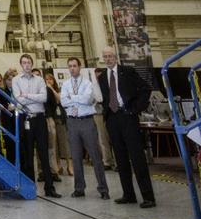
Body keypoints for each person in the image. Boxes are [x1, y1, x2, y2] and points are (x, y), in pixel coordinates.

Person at [98, 47, 156, 208]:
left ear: (115, 57)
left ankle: (148, 196)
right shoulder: (102, 77)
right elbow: (105, 97)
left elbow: (146, 89)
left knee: (137, 157)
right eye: (105, 56)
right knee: (120, 158)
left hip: (128, 117)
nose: (108, 59)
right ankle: (128, 194)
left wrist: (135, 109)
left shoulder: (127, 72)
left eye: (110, 56)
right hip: (113, 120)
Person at [59, 57, 109, 200]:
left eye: (75, 66)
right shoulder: (66, 84)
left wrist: (72, 98)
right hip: (72, 123)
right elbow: (63, 102)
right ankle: (79, 188)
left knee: (95, 156)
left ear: (79, 67)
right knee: (75, 157)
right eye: (70, 66)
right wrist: (77, 98)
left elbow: (88, 100)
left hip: (87, 122)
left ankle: (103, 189)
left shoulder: (88, 83)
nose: (72, 68)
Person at [11, 54, 61, 197]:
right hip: (26, 119)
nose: (26, 65)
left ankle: (49, 188)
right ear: (21, 64)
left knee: (43, 153)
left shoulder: (40, 80)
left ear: (32, 64)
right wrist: (32, 97)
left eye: (29, 62)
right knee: (27, 154)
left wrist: (26, 95)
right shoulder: (16, 80)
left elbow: (43, 98)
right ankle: (31, 188)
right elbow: (18, 101)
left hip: (40, 120)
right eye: (24, 63)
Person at [43, 68, 72, 178]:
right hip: (51, 119)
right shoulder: (44, 91)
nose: (48, 81)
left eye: (50, 79)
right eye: (46, 79)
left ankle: (70, 166)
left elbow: (59, 100)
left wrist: (51, 89)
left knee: (64, 143)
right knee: (54, 145)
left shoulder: (58, 90)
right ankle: (58, 166)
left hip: (60, 119)